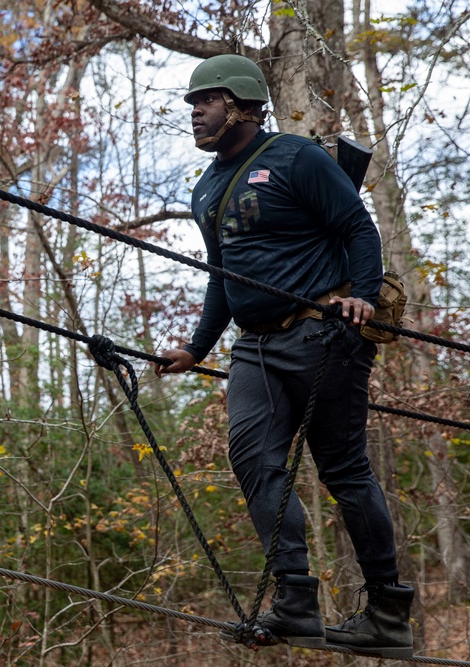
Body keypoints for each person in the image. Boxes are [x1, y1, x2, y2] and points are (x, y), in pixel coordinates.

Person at [155, 53, 414, 659]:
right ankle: (296, 602)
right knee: (252, 461)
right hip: (256, 347)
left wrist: (364, 298)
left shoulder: (297, 158)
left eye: (206, 101)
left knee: (343, 470)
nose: (195, 112)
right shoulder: (207, 187)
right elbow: (221, 276)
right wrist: (196, 347)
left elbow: (358, 228)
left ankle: (387, 612)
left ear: (242, 104)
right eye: (194, 104)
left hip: (324, 332)